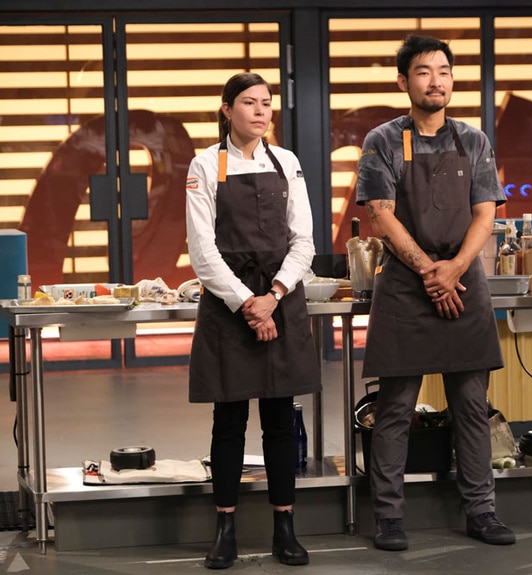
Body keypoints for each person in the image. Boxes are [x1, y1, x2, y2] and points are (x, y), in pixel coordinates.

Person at [355, 34, 515, 551]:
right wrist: (430, 271)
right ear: (404, 82)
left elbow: (485, 212)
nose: (436, 80)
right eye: (424, 72)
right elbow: (381, 213)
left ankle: (482, 510)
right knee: (396, 406)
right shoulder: (382, 140)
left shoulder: (474, 140)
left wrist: (455, 269)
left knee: (471, 403)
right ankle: (389, 516)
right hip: (405, 285)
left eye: (444, 70)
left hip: (463, 280)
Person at [185, 72, 321, 569]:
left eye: (266, 103)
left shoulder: (287, 162)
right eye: (249, 103)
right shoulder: (204, 165)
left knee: (281, 421)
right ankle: (225, 529)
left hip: (280, 302)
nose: (261, 112)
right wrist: (248, 302)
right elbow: (202, 251)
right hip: (229, 307)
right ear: (227, 109)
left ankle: (285, 527)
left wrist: (274, 296)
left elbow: (303, 241)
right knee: (229, 422)